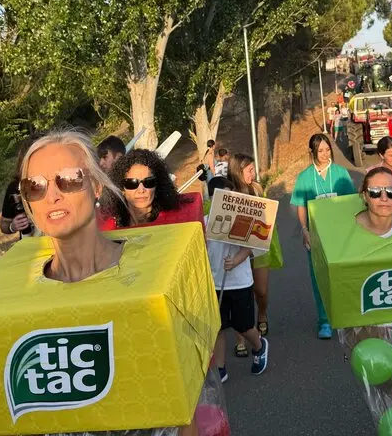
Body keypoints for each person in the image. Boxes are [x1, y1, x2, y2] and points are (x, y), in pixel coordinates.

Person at [18, 129, 199, 436]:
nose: (52, 196)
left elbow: (184, 403)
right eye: (34, 186)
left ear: (97, 186)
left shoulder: (156, 276)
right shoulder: (17, 301)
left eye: (69, 178)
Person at [290, 133, 355, 339]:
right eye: (321, 151)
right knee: (319, 277)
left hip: (340, 234)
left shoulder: (341, 173)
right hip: (317, 236)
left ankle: (345, 316)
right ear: (313, 153)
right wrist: (304, 230)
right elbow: (301, 205)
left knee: (342, 274)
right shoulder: (305, 177)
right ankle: (324, 320)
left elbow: (352, 203)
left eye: (328, 150)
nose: (325, 154)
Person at [205, 177, 269, 384]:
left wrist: (236, 261)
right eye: (220, 196)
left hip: (240, 282)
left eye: (228, 195)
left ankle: (259, 346)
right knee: (220, 327)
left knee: (243, 325)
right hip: (215, 282)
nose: (225, 200)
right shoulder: (205, 222)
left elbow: (249, 246)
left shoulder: (242, 218)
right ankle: (221, 368)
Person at [228, 153, 283, 357]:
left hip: (258, 245)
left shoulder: (257, 188)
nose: (253, 173)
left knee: (260, 289)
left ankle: (262, 314)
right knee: (240, 293)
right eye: (249, 170)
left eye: (253, 169)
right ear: (238, 171)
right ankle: (240, 338)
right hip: (236, 248)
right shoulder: (229, 191)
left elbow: (267, 215)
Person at [104, 148, 190, 228]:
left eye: (148, 182)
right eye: (132, 183)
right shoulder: (111, 227)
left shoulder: (175, 222)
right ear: (122, 189)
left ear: (157, 186)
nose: (141, 190)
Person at [355, 166, 392, 238]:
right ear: (364, 196)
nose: (384, 198)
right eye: (375, 192)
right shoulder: (350, 228)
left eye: (391, 191)